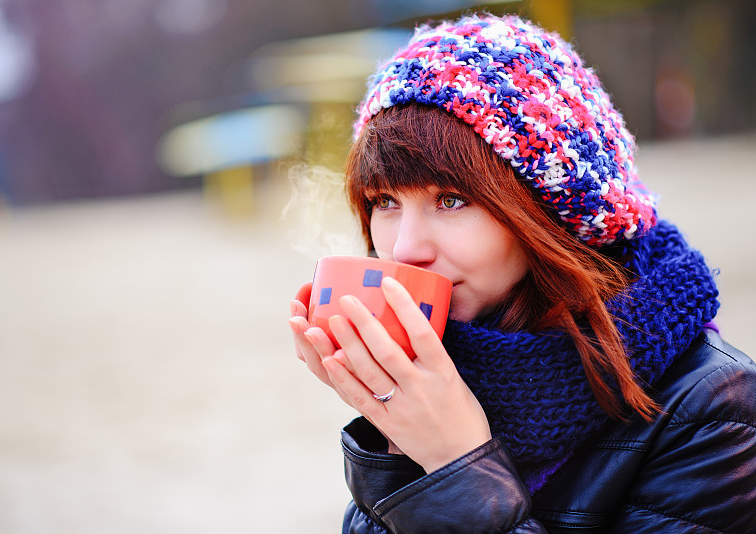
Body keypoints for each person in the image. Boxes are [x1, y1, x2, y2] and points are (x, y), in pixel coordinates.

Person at [287, 12, 756, 533]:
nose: (404, 248)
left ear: (551, 210)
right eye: (385, 200)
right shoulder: (447, 361)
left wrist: (455, 462)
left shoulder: (716, 408)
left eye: (451, 199)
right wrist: (396, 437)